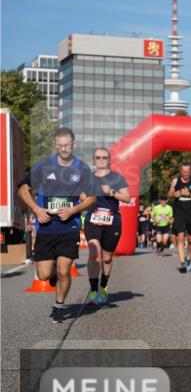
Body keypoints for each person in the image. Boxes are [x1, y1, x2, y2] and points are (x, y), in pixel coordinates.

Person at [16, 128, 95, 323]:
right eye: (60, 145)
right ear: (54, 145)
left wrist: (74, 209)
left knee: (64, 270)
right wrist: (36, 209)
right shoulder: (43, 166)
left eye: (67, 145)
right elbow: (23, 190)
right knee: (43, 275)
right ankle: (53, 277)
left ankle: (59, 306)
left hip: (69, 226)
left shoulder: (82, 169)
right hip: (46, 227)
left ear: (74, 144)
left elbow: (92, 198)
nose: (64, 149)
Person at [84, 147, 130, 306]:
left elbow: (126, 197)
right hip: (93, 219)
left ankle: (103, 287)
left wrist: (111, 192)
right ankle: (93, 291)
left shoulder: (116, 177)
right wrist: (84, 196)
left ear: (109, 160)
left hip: (112, 220)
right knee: (94, 252)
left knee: (107, 258)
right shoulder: (88, 178)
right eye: (98, 157)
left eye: (104, 157)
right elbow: (82, 196)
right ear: (93, 160)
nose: (101, 160)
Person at [168, 162, 191, 273]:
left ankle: (188, 258)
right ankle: (182, 263)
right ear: (181, 171)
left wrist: (189, 194)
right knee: (180, 237)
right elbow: (169, 194)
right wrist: (175, 194)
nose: (185, 174)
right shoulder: (175, 181)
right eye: (184, 172)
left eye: (188, 172)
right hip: (179, 213)